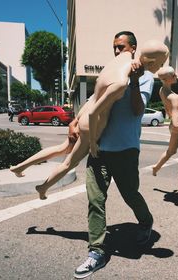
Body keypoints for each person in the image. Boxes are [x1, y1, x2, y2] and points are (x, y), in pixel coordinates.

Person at [10, 38, 169, 201]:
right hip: (93, 122)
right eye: (161, 63)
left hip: (83, 114)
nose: (160, 68)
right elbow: (95, 113)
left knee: (62, 148)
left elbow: (94, 98)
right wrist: (93, 142)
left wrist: (76, 120)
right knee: (68, 163)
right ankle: (43, 188)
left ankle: (20, 167)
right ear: (151, 61)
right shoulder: (122, 81)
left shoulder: (118, 60)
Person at [73, 31, 161, 279]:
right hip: (98, 148)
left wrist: (133, 80)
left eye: (120, 46)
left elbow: (137, 110)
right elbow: (93, 100)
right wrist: (75, 120)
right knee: (95, 200)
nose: (116, 51)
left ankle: (145, 222)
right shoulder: (110, 70)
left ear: (133, 48)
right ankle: (96, 251)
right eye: (113, 47)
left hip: (125, 149)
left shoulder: (145, 77)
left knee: (130, 194)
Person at [152, 66, 178, 176]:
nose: (176, 76)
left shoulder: (162, 90)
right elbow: (177, 124)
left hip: (175, 124)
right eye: (173, 75)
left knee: (172, 151)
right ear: (166, 79)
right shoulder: (174, 97)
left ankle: (156, 167)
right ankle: (156, 167)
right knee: (171, 151)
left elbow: (169, 110)